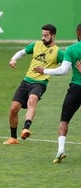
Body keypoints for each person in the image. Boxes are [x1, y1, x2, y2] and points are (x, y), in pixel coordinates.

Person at [3, 24, 64, 145]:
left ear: (53, 35)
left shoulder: (58, 52)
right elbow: (22, 52)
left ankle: (26, 128)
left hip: (40, 83)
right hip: (26, 81)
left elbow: (65, 67)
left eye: (46, 35)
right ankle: (13, 138)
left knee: (32, 99)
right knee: (13, 109)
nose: (43, 38)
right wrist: (13, 59)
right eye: (42, 35)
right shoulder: (36, 45)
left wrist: (47, 71)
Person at [34, 23, 81, 163]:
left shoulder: (72, 49)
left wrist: (44, 70)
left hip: (76, 89)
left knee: (64, 120)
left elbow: (63, 70)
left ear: (78, 33)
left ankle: (60, 150)